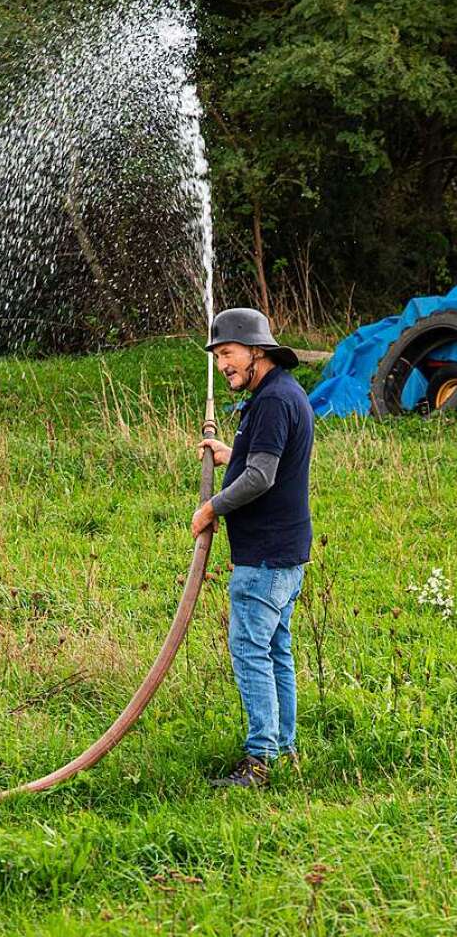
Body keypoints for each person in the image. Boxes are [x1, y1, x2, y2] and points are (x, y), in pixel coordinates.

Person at [190, 308, 314, 788]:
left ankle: (260, 762)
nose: (223, 364)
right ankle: (284, 750)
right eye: (219, 356)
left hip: (264, 557)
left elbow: (261, 477)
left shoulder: (270, 402)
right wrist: (231, 454)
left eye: (228, 354)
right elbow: (266, 460)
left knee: (249, 649)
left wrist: (212, 508)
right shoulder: (282, 393)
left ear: (256, 351)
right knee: (276, 649)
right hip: (286, 552)